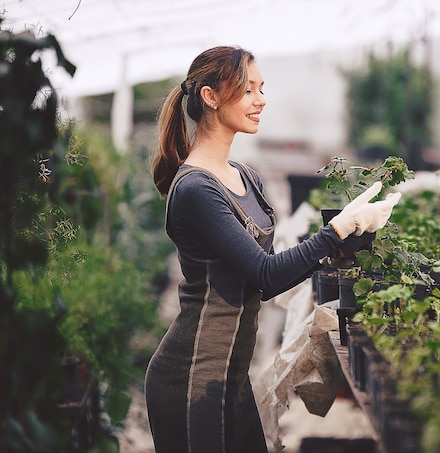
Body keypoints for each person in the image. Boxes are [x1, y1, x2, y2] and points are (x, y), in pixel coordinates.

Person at [144, 45, 401, 453]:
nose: (261, 100)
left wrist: (345, 243)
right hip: (193, 378)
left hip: (233, 376)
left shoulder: (247, 177)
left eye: (262, 89)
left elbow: (268, 280)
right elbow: (263, 273)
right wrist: (333, 231)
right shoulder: (196, 188)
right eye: (248, 91)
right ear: (210, 97)